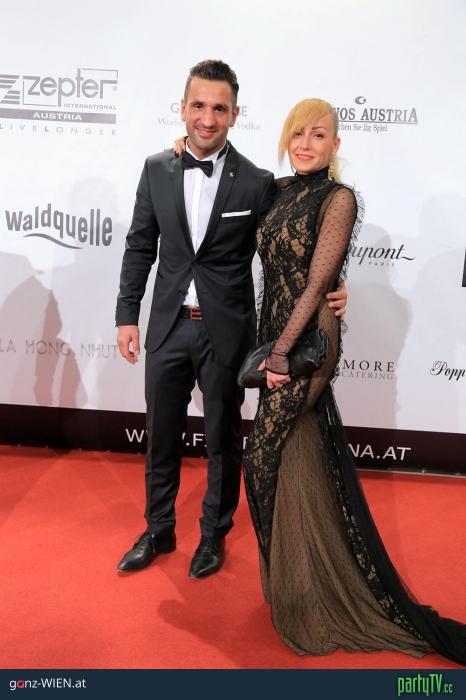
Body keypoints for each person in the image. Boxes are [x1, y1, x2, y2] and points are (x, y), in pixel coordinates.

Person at [242, 97, 466, 665]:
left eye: (318, 135)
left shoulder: (338, 198)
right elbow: (229, 175)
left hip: (309, 343)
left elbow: (319, 283)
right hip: (276, 333)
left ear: (336, 144)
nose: (305, 144)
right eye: (297, 133)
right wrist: (181, 149)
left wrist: (280, 355)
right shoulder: (277, 190)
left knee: (260, 458)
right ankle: (298, 582)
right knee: (294, 455)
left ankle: (307, 585)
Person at [115, 61, 347, 579]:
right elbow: (139, 247)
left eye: (219, 108)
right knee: (160, 433)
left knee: (223, 438)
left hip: (226, 330)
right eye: (198, 105)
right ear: (183, 108)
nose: (207, 117)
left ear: (235, 114)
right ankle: (158, 528)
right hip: (167, 326)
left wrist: (335, 282)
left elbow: (298, 228)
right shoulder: (156, 168)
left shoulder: (259, 182)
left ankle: (213, 534)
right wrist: (127, 315)